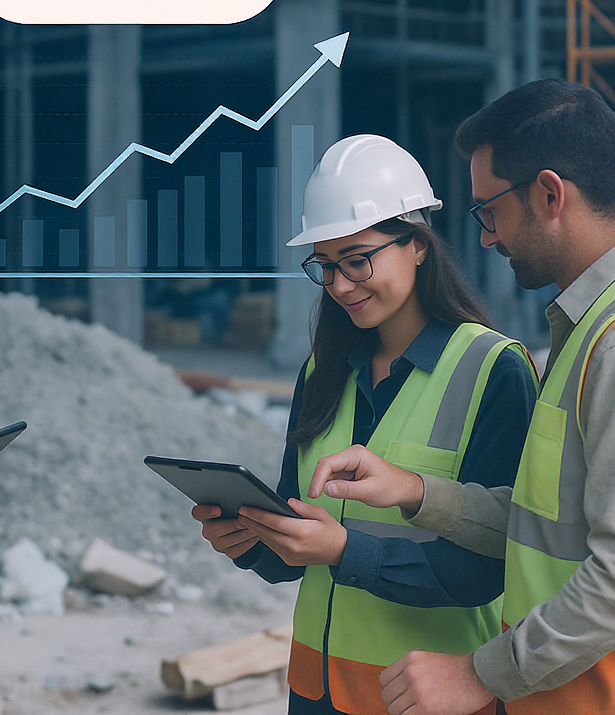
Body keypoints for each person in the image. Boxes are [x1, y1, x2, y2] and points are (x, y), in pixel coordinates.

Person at [308, 80, 615, 715]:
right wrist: (417, 491)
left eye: (488, 211)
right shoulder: (588, 332)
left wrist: (483, 674)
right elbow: (548, 528)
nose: (486, 238)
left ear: (548, 194)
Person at [192, 134, 536, 715]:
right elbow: (296, 539)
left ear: (418, 245)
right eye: (324, 266)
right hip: (315, 693)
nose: (339, 285)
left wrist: (345, 550)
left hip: (425, 698)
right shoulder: (322, 371)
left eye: (357, 260)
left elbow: (493, 567)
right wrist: (253, 542)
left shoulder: (492, 370)